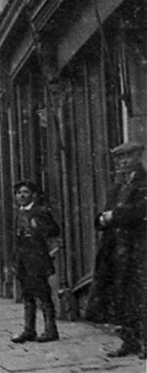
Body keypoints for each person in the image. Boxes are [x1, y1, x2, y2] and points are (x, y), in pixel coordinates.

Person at [88, 142, 145, 358]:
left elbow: (141, 210)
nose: (122, 163)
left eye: (127, 157)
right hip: (116, 248)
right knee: (122, 295)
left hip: (138, 246)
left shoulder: (144, 182)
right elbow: (104, 212)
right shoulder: (118, 185)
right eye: (119, 159)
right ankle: (128, 341)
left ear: (139, 156)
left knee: (140, 295)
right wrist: (102, 219)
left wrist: (116, 215)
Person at [9, 181, 61, 343]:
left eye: (25, 192)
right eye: (19, 193)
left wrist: (38, 227)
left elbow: (54, 230)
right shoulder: (19, 213)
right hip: (23, 260)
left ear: (33, 195)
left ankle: (51, 330)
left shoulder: (40, 211)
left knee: (43, 295)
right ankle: (29, 330)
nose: (22, 195)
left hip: (37, 259)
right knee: (27, 295)